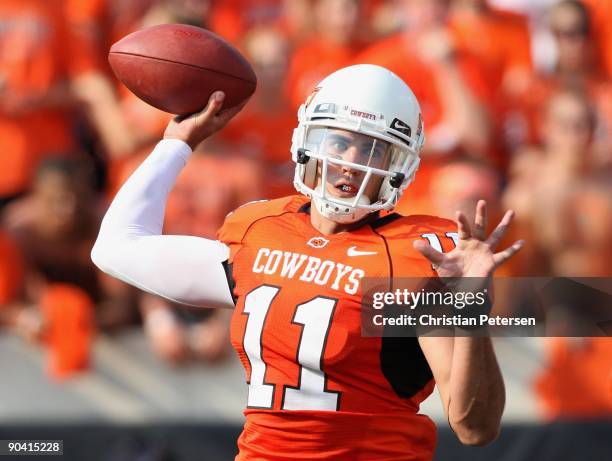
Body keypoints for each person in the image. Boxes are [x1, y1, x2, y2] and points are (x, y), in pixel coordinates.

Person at [92, 64, 524, 459]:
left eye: (373, 150)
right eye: (339, 141)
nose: (351, 163)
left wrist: (467, 305)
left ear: (401, 166)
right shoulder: (260, 231)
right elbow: (117, 247)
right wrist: (177, 144)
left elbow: (475, 427)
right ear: (306, 142)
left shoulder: (414, 255)